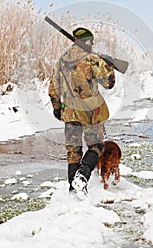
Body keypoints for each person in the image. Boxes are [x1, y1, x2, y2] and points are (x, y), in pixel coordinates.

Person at [48, 27, 115, 195]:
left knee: (73, 151)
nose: (92, 44)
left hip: (69, 112)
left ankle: (73, 189)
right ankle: (83, 176)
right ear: (87, 41)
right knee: (97, 145)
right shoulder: (92, 59)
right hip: (91, 112)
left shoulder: (61, 61)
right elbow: (109, 83)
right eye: (90, 41)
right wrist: (109, 66)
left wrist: (57, 109)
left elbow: (52, 89)